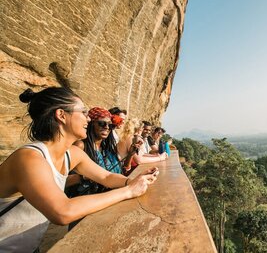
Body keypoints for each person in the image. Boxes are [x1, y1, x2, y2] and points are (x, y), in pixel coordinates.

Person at [0, 87, 158, 252]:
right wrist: (129, 191)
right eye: (83, 112)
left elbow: (106, 176)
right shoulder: (29, 158)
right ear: (61, 115)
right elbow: (62, 212)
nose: (88, 119)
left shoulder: (72, 153)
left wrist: (132, 181)